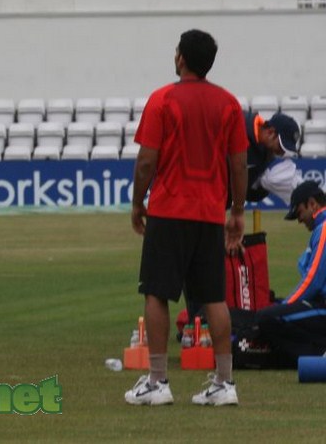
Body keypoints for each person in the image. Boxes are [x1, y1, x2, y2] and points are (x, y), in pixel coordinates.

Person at [126, 29, 248, 407]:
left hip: (169, 208)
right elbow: (239, 163)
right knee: (213, 297)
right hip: (210, 212)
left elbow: (147, 159)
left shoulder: (162, 99)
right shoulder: (228, 104)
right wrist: (238, 210)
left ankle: (158, 381)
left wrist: (137, 202)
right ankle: (225, 383)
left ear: (181, 58)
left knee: (157, 292)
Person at [232, 182, 326, 364]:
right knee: (275, 310)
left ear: (312, 203)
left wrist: (285, 305)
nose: (299, 220)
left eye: (299, 213)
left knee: (267, 317)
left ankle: (318, 355)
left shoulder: (323, 229)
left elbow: (313, 280)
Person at [239, 111, 302, 204]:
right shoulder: (238, 124)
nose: (282, 153)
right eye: (281, 146)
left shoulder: (266, 154)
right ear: (271, 132)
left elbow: (246, 192)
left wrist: (263, 186)